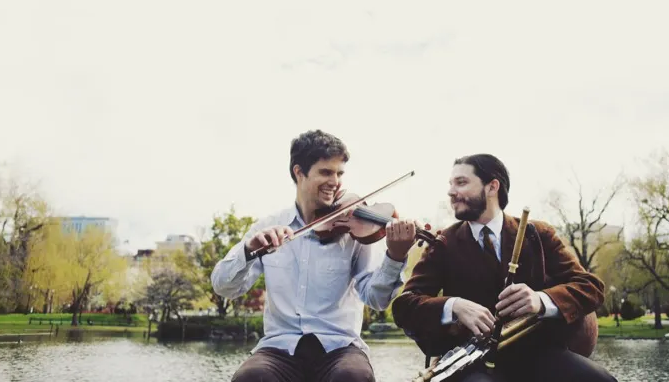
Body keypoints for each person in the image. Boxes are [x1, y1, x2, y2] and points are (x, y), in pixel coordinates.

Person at [211, 129, 417, 382]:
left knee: (353, 376)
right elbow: (223, 287)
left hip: (340, 347)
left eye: (340, 173)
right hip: (279, 347)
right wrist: (249, 250)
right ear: (299, 172)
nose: (336, 181)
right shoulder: (268, 226)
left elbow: (376, 299)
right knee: (250, 377)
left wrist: (395, 257)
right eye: (326, 172)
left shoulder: (355, 229)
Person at [392, 154, 617, 382]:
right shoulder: (443, 243)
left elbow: (591, 287)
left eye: (461, 182)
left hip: (540, 354)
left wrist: (541, 301)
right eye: (450, 184)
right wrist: (454, 306)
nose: (451, 192)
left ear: (492, 187)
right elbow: (405, 305)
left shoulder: (537, 234)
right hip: (474, 362)